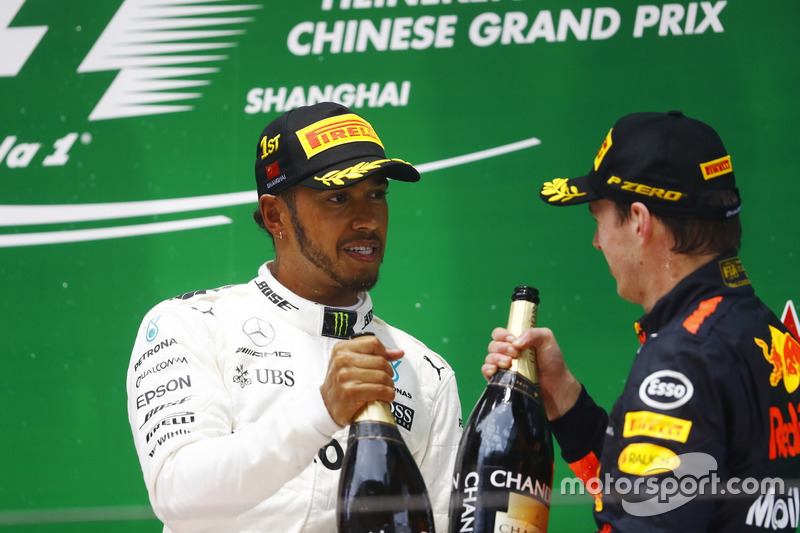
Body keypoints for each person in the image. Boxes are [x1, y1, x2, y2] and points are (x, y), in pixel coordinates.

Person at [126, 102, 462, 532]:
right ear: (275, 216)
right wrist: (321, 411)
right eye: (338, 198)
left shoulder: (426, 373)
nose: (366, 220)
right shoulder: (190, 325)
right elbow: (178, 495)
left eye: (377, 194)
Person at [483, 111, 800, 531]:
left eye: (598, 219)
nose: (597, 242)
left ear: (639, 221)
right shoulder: (769, 333)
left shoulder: (683, 357)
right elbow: (647, 496)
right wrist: (561, 394)